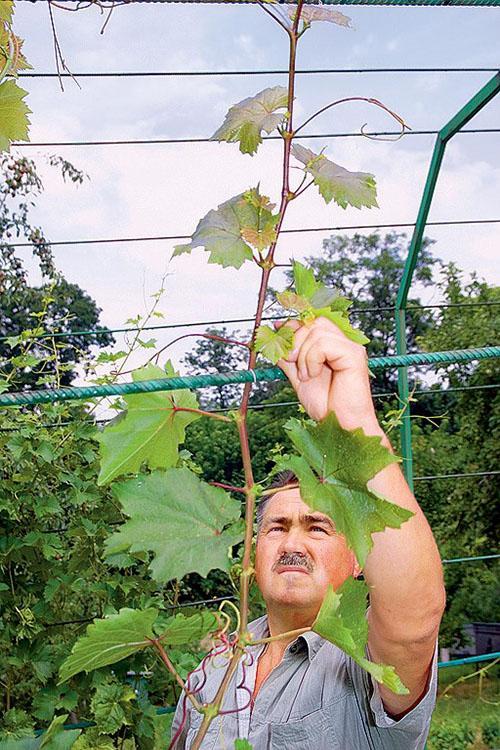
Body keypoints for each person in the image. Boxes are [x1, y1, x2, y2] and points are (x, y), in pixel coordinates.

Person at [171, 317, 446, 749]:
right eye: (276, 528)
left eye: (317, 527)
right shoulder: (212, 670)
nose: (292, 544)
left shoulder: (363, 658)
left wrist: (354, 426)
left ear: (360, 558)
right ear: (252, 553)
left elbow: (416, 618)